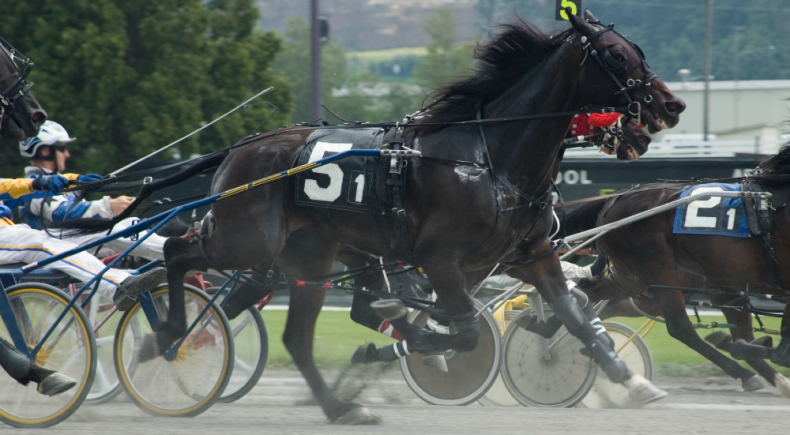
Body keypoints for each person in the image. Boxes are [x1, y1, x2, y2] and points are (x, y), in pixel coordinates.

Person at [18, 121, 166, 260]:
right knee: (113, 231)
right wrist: (107, 206)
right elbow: (61, 214)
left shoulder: (56, 181)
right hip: (52, 247)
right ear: (44, 151)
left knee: (131, 223)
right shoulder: (33, 185)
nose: (67, 154)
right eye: (62, 148)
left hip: (70, 242)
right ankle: (175, 251)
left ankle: (173, 246)